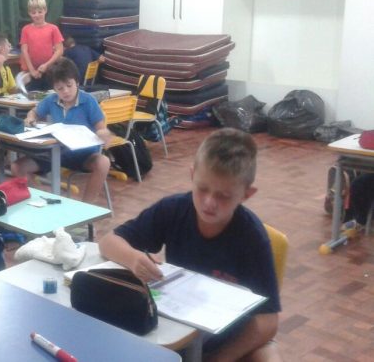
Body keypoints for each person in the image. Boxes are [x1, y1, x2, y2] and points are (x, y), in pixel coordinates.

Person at [99, 128, 281, 361]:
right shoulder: (173, 209)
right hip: (180, 328)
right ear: (192, 175)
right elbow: (108, 242)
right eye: (202, 189)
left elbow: (268, 321)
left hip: (232, 336)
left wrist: (220, 358)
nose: (209, 202)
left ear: (246, 194)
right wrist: (134, 258)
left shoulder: (252, 237)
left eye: (224, 196)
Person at [12, 57, 112, 203]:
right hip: (57, 153)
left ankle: (86, 208)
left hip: (84, 156)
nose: (65, 91)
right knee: (17, 167)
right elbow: (34, 111)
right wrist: (30, 117)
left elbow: (101, 128)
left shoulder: (88, 101)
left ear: (77, 82)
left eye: (69, 85)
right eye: (60, 88)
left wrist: (104, 134)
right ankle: (40, 203)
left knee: (103, 162)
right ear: (54, 89)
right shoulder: (51, 100)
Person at [19, 0, 64, 92]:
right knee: (33, 95)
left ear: (45, 10)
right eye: (33, 12)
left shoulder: (53, 29)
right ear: (29, 13)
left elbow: (59, 50)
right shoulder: (26, 29)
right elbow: (24, 51)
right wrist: (32, 70)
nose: (37, 15)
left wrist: (47, 65)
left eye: (40, 12)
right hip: (33, 73)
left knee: (51, 95)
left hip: (51, 71)